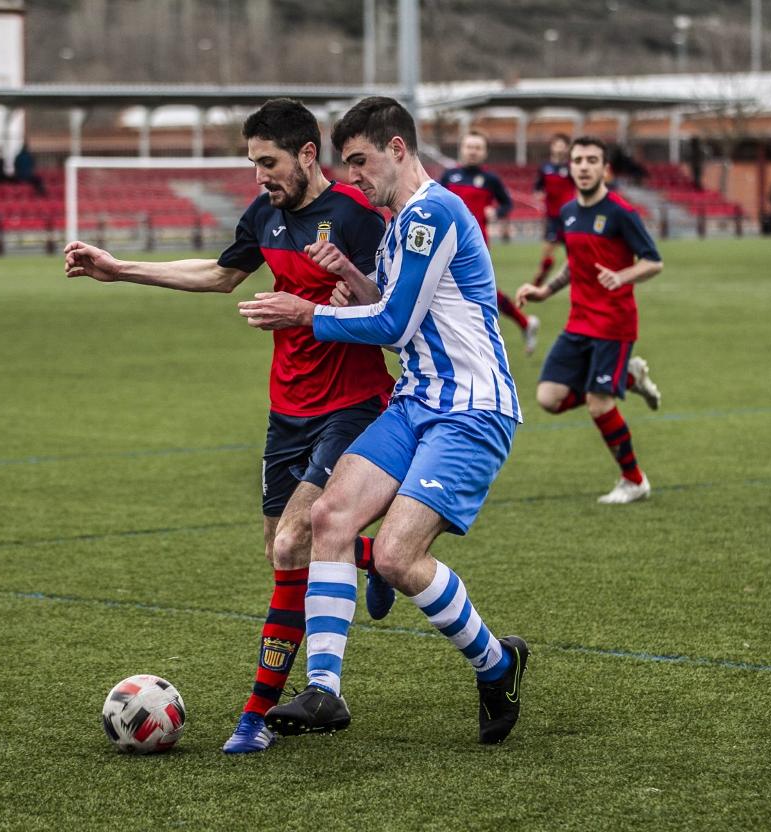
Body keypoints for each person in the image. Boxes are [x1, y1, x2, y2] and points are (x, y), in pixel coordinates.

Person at [62, 98, 397, 755]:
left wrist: (337, 298)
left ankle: (255, 714)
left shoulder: (356, 217)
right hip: (287, 413)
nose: (258, 177)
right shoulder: (265, 215)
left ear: (307, 155)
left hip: (353, 406)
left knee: (291, 543)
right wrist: (120, 270)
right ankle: (372, 558)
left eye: (267, 163)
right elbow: (221, 274)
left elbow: (395, 305)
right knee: (280, 546)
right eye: (251, 164)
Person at [238, 96, 529, 745]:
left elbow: (393, 325)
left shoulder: (433, 212)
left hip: (470, 408)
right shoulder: (399, 225)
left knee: (397, 556)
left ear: (398, 149)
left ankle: (498, 664)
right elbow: (400, 316)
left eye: (361, 161)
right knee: (328, 517)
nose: (356, 177)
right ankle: (324, 693)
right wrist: (353, 279)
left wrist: (306, 313)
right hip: (416, 400)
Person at [514, 136, 663, 505]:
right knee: (548, 397)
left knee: (599, 404)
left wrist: (622, 276)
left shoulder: (620, 213)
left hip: (614, 324)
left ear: (604, 168)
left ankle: (634, 480)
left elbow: (653, 261)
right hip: (579, 322)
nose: (583, 166)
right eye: (578, 160)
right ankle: (627, 378)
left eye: (591, 160)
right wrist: (546, 291)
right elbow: (575, 262)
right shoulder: (567, 212)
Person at [441, 131, 541, 355]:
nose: (473, 151)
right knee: (468, 291)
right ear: (462, 149)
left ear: (484, 152)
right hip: (446, 243)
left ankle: (475, 341)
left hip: (476, 244)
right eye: (469, 146)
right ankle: (523, 323)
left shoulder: (490, 179)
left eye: (477, 147)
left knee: (472, 291)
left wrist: (495, 211)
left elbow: (506, 204)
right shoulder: (449, 176)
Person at [529, 133, 575, 286]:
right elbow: (537, 188)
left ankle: (578, 277)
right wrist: (539, 195)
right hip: (552, 217)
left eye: (563, 145)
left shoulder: (571, 167)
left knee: (576, 253)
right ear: (552, 147)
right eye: (557, 145)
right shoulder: (545, 168)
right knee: (547, 252)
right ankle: (540, 279)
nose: (560, 148)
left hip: (570, 217)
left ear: (567, 148)